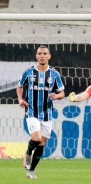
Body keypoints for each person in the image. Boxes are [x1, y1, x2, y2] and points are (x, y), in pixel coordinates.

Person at [16, 45, 65, 178]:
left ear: (49, 56)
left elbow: (62, 92)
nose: (42, 56)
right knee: (37, 139)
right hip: (31, 111)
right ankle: (27, 153)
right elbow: (19, 86)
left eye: (45, 53)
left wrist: (57, 96)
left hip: (47, 112)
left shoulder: (54, 74)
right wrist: (20, 99)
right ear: (36, 56)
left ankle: (31, 171)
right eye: (39, 53)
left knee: (42, 143)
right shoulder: (28, 72)